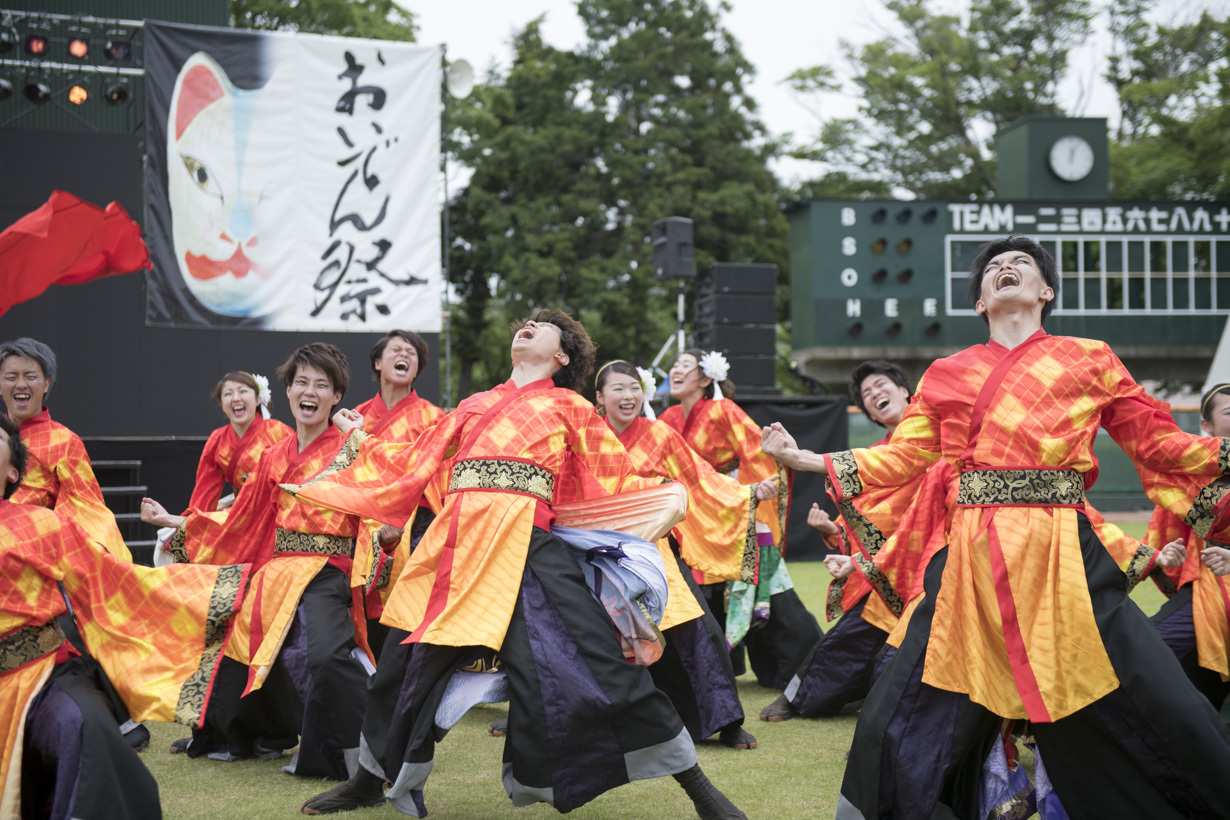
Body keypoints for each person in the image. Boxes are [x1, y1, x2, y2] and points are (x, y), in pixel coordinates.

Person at [763, 235, 1230, 819]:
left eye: (1022, 264)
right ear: (980, 301)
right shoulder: (946, 372)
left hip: (1064, 552)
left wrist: (1225, 452)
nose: (1006, 268)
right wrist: (808, 460)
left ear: (1045, 291)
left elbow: (1158, 441)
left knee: (1146, 694)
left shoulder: (1090, 356)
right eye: (994, 268)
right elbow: (905, 455)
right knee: (906, 705)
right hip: (971, 559)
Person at [289, 310, 746, 819]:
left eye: (541, 324)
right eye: (523, 322)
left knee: (600, 665)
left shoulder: (571, 406)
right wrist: (359, 440)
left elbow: (612, 477)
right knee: (398, 668)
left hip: (529, 547)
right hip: (454, 550)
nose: (526, 325)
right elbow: (414, 460)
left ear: (561, 355)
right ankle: (369, 781)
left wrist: (679, 495)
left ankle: (703, 793)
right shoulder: (474, 405)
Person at [141, 342, 377, 780]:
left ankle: (364, 755)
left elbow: (384, 489)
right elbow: (242, 521)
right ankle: (258, 735)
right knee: (234, 638)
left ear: (337, 396)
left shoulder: (350, 446)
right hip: (279, 570)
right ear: (287, 391)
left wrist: (363, 440)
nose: (310, 391)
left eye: (322, 385)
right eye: (302, 382)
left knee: (321, 656)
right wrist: (175, 524)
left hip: (330, 570)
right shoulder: (274, 457)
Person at [0, 412, 247, 819]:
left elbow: (112, 582)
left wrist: (212, 594)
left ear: (13, 471)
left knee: (86, 728)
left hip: (40, 675)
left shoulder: (42, 527)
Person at [595, 359, 771, 750]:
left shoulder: (660, 434)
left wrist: (748, 493)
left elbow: (701, 478)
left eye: (634, 387)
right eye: (618, 388)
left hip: (654, 548)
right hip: (599, 551)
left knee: (696, 629)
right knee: (585, 633)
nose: (628, 396)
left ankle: (725, 721)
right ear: (600, 397)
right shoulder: (589, 438)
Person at [760, 360, 916, 722]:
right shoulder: (877, 453)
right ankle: (807, 698)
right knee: (850, 641)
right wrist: (835, 533)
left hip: (931, 558)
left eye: (880, 385)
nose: (874, 393)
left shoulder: (929, 434)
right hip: (887, 567)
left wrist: (801, 458)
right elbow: (871, 517)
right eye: (866, 394)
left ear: (906, 391)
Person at [659, 348, 821, 689]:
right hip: (691, 512)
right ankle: (714, 664)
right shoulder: (669, 419)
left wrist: (751, 506)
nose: (676, 371)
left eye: (685, 366)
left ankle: (794, 665)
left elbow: (759, 452)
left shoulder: (723, 410)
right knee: (703, 591)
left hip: (730, 506)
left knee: (757, 587)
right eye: (674, 365)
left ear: (705, 378)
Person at [344, 330, 444, 659]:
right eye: (396, 349)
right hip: (364, 524)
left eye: (412, 353)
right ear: (378, 361)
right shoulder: (356, 418)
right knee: (362, 600)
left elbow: (440, 476)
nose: (404, 355)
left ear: (417, 369)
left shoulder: (432, 417)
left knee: (409, 601)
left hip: (416, 524)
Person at [1140, 382, 1230, 711]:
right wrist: (1159, 556)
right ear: (1205, 425)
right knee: (1151, 649)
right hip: (1207, 583)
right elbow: (1162, 534)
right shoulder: (1188, 475)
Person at [0, 337, 129, 560]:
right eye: (11, 377)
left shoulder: (64, 441)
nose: (21, 384)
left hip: (28, 558)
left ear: (47, 383)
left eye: (31, 377)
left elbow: (88, 513)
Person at [189, 370, 292, 512]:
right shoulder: (217, 438)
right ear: (221, 404)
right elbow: (205, 491)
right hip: (241, 515)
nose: (235, 398)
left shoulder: (279, 431)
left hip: (276, 512)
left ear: (257, 399)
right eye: (228, 393)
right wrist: (192, 521)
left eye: (243, 391)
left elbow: (296, 478)